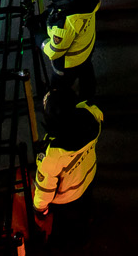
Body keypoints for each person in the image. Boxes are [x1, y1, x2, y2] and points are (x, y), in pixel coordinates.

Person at [26, 85, 104, 243]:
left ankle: (74, 240)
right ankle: (86, 221)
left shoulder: (51, 156)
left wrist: (39, 210)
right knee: (84, 208)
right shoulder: (93, 117)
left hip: (67, 197)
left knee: (69, 227)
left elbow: (45, 191)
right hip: (88, 178)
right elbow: (88, 108)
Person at [40, 0, 100, 102]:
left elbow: (54, 51)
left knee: (59, 89)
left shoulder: (65, 22)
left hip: (69, 63)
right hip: (86, 48)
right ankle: (88, 100)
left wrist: (40, 38)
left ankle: (64, 109)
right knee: (87, 74)